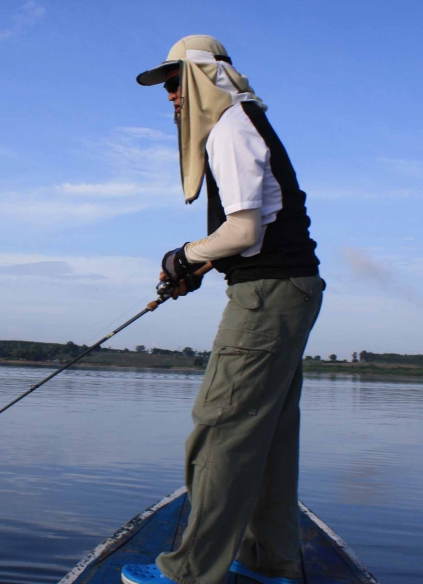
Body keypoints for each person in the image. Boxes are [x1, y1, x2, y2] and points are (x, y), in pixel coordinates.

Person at [121, 36, 325, 584]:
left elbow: (243, 230)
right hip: (289, 289)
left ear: (202, 77)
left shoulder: (231, 130)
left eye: (173, 82)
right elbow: (260, 235)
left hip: (266, 299)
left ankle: (188, 573)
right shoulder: (248, 123)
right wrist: (199, 270)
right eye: (165, 87)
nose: (169, 96)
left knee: (221, 430)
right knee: (271, 438)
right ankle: (268, 561)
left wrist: (183, 254)